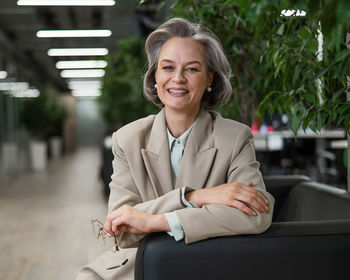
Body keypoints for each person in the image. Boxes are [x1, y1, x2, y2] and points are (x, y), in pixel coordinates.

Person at [76, 17, 274, 280]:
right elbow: (121, 230)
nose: (178, 79)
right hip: (142, 265)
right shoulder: (128, 138)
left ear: (209, 80)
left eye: (192, 69)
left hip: (207, 264)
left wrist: (157, 221)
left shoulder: (235, 137)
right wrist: (195, 197)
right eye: (167, 67)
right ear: (155, 77)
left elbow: (256, 216)